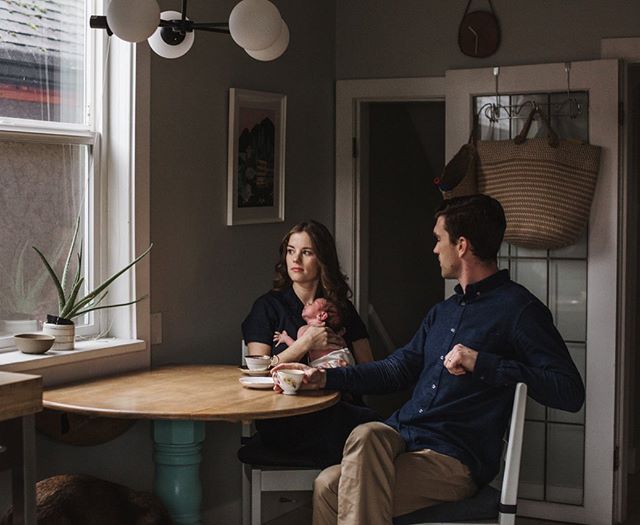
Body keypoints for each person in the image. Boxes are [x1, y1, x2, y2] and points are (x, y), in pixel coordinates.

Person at [271, 194, 586, 525]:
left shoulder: (519, 311)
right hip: (402, 438)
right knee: (365, 434)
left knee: (328, 488)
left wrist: (485, 363)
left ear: (461, 245)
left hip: (451, 461)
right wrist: (322, 377)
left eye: (439, 239)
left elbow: (568, 391)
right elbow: (397, 369)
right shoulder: (443, 312)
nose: (435, 249)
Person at [241, 219, 379, 467]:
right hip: (286, 416)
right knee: (372, 434)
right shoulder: (267, 307)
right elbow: (257, 372)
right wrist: (305, 344)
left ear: (322, 259)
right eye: (291, 251)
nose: (295, 260)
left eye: (306, 252)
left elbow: (370, 370)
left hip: (338, 408)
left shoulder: (340, 309)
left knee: (374, 432)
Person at [274, 297, 355, 368]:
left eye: (313, 303)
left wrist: (285, 338)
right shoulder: (332, 332)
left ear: (322, 315)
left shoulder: (305, 330)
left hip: (327, 364)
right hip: (344, 358)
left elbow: (297, 346)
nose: (308, 303)